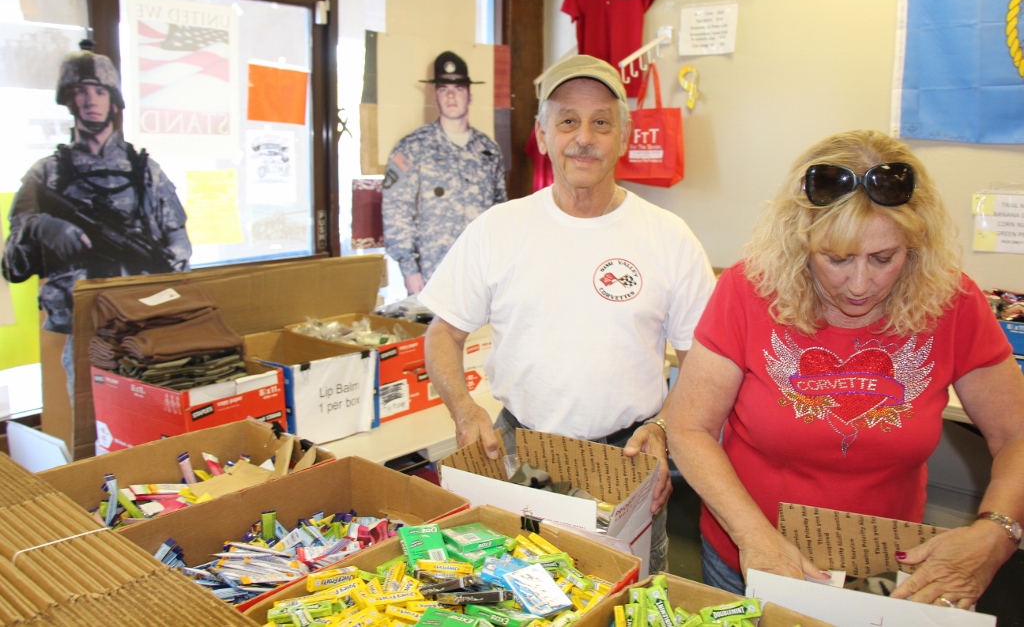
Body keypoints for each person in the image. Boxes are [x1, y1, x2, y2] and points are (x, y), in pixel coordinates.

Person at [667, 130, 1024, 607]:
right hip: (750, 556)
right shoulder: (749, 289)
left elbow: (1016, 435)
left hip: (884, 569)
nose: (859, 285)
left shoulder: (953, 302)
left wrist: (998, 529)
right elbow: (690, 427)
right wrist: (753, 535)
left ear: (915, 246)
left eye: (884, 258)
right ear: (800, 241)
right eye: (835, 259)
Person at [419, 54, 717, 573]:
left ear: (624, 135)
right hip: (517, 449)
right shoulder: (499, 228)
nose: (584, 137)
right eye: (568, 121)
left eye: (601, 122)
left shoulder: (669, 237)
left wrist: (667, 426)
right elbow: (442, 334)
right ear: (542, 134)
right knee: (514, 590)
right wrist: (465, 412)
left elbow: (702, 364)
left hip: (628, 455)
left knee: (632, 596)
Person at [2, 43, 191, 395]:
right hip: (83, 324)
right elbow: (13, 264)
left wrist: (169, 272)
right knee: (95, 425)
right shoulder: (46, 176)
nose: (91, 99)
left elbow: (177, 240)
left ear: (113, 100)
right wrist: (46, 227)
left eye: (100, 91)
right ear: (69, 100)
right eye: (81, 91)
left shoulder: (145, 170)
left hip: (142, 323)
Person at [382, 50, 507, 295]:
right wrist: (409, 270)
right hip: (432, 274)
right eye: (443, 89)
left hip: (481, 273)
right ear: (435, 96)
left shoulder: (489, 151)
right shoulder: (410, 148)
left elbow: (499, 213)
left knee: (482, 334)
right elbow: (395, 210)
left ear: (469, 95)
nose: (451, 95)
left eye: (458, 88)